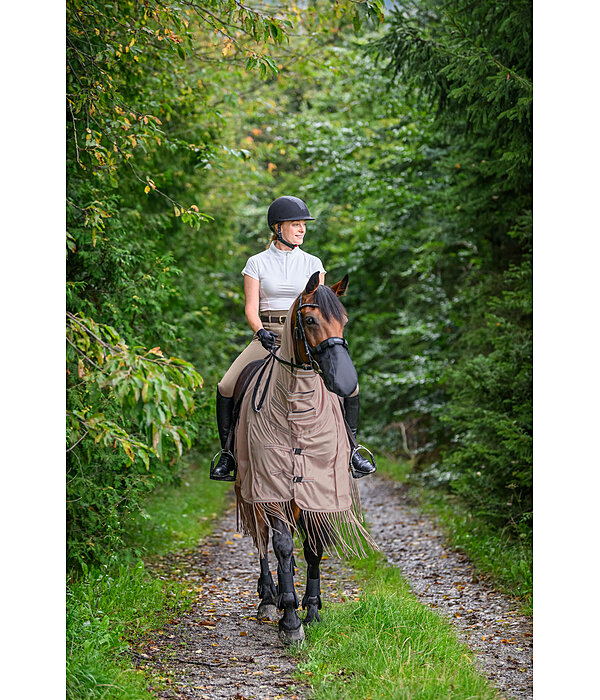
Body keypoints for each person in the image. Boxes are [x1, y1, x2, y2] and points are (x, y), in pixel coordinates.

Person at [210, 195, 376, 481]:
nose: (302, 230)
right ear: (277, 228)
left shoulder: (313, 262)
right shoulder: (256, 262)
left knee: (350, 386)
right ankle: (228, 455)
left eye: (303, 225)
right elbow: (251, 307)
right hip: (269, 336)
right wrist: (260, 331)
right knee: (226, 385)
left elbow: (322, 307)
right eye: (296, 224)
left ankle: (352, 450)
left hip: (305, 337)